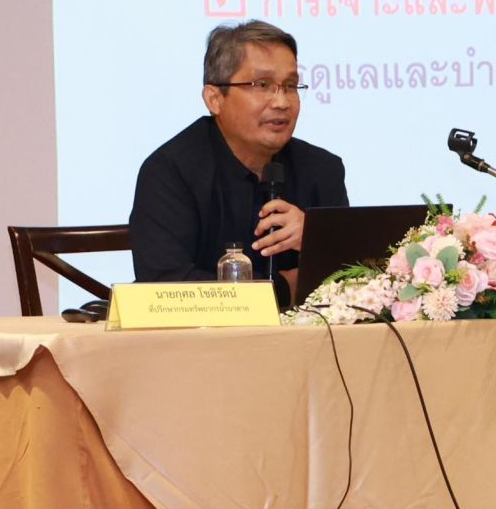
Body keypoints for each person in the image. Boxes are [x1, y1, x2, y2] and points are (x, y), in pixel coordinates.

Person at [130, 19, 347, 307]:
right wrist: (283, 289)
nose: (282, 102)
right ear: (214, 98)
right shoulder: (170, 172)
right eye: (262, 85)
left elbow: (356, 280)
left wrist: (317, 237)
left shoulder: (322, 169)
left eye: (290, 86)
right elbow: (164, 285)